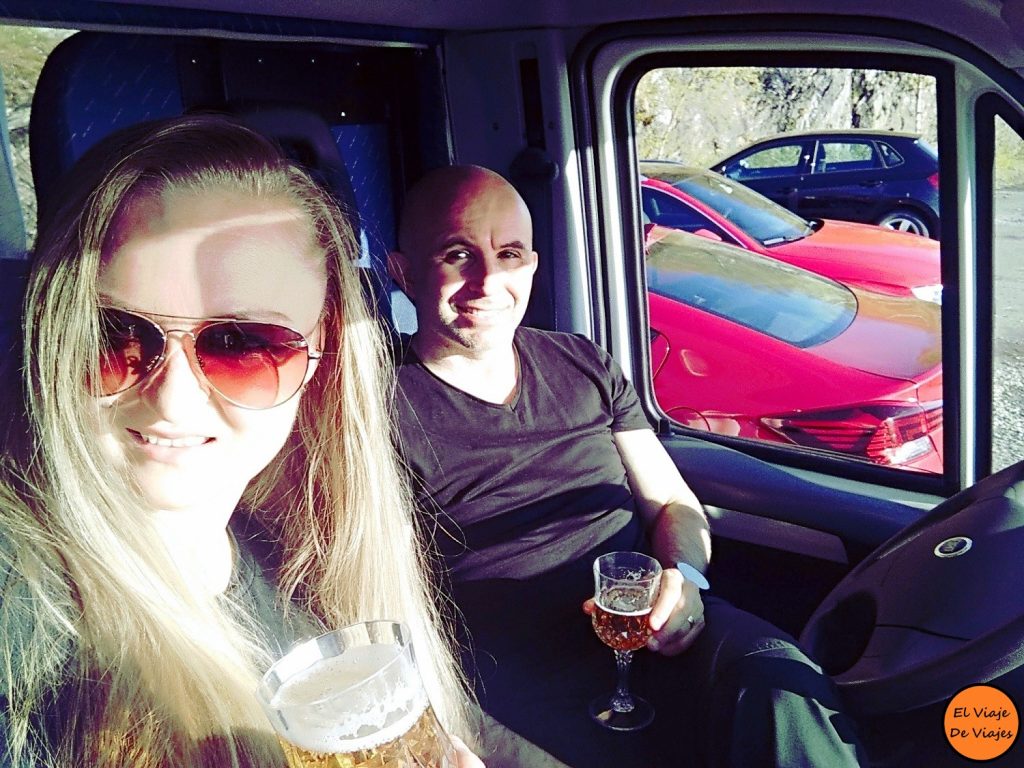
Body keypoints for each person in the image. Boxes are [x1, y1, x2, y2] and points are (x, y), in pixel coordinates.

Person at [0, 116, 484, 767]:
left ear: (320, 355)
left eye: (241, 343)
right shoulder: (25, 620)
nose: (172, 399)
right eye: (114, 334)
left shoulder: (296, 554)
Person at [388, 164, 865, 767]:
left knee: (783, 686)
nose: (488, 281)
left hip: (654, 629)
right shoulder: (375, 409)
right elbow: (377, 593)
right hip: (515, 679)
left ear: (531, 265)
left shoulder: (583, 363)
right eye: (458, 255)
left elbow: (673, 503)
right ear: (403, 272)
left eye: (509, 254)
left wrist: (685, 580)